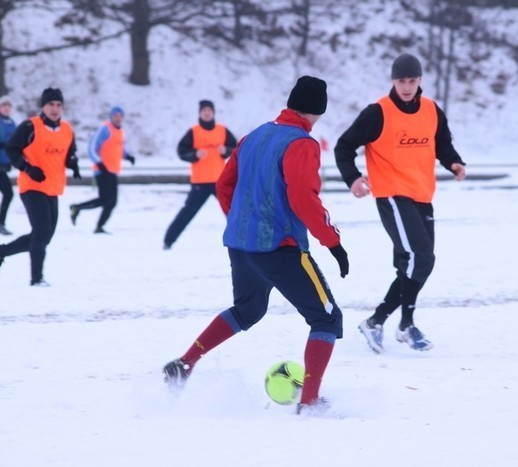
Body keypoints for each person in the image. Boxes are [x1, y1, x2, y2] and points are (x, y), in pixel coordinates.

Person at [162, 76, 348, 415]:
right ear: (317, 111)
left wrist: (242, 223)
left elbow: (223, 185)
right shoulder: (303, 144)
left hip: (241, 246)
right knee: (327, 319)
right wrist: (333, 243)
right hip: (281, 248)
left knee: (248, 310)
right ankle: (309, 402)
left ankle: (186, 363)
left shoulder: (254, 135)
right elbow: (304, 199)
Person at [334, 53, 466, 353]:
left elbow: (442, 144)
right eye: (401, 81)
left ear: (420, 81)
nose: (406, 86)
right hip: (392, 194)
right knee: (421, 256)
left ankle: (382, 322)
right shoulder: (378, 112)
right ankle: (401, 324)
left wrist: (454, 163)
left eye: (412, 80)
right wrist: (353, 178)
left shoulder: (432, 110)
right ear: (392, 81)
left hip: (422, 194)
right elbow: (344, 146)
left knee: (419, 263)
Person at [0, 87, 81, 286]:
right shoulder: (30, 126)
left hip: (53, 188)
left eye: (58, 105)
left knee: (43, 237)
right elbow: (12, 148)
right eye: (50, 104)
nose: (55, 108)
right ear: (43, 106)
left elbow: (69, 152)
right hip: (32, 186)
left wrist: (73, 163)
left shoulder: (67, 129)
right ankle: (36, 279)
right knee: (41, 232)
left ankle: (2, 252)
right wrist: (27, 168)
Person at [163, 100, 237, 249]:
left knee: (234, 210)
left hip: (219, 181)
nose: (207, 113)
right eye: (204, 111)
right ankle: (168, 241)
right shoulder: (194, 131)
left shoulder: (222, 130)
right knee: (187, 213)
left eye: (209, 110)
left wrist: (226, 151)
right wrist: (195, 154)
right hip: (200, 182)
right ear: (200, 113)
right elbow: (181, 152)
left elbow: (235, 148)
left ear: (213, 113)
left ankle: (244, 240)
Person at [69, 106, 135, 234]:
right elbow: (92, 147)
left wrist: (127, 156)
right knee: (106, 199)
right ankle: (77, 208)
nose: (118, 118)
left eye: (120, 115)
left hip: (113, 170)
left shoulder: (120, 131)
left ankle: (99, 226)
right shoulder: (105, 129)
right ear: (111, 116)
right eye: (115, 115)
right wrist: (99, 163)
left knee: (112, 202)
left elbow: (118, 149)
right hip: (102, 170)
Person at [0, 95, 17, 235]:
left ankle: (1, 223)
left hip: (4, 166)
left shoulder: (12, 123)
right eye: (3, 105)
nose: (6, 108)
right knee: (8, 193)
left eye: (8, 106)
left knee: (8, 194)